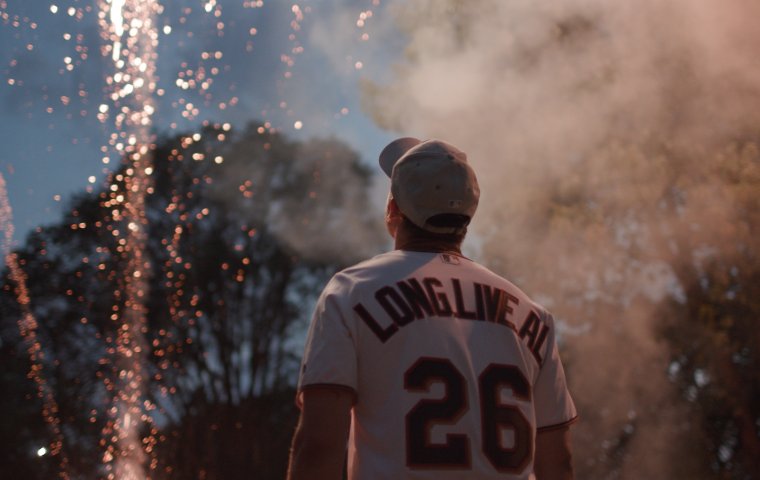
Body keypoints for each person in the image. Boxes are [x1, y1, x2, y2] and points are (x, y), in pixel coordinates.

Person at [287, 138, 577, 480]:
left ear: (393, 210)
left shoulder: (350, 291)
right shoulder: (533, 316)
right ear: (467, 217)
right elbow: (557, 464)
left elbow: (319, 445)